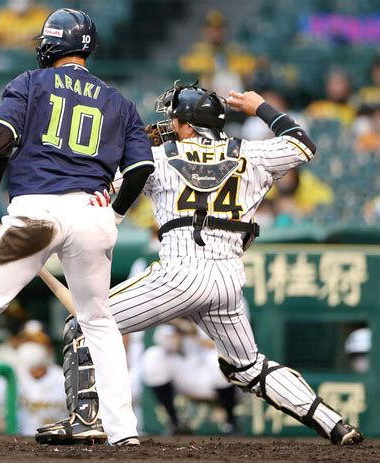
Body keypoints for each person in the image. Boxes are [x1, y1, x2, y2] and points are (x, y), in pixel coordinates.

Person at [36, 82, 363, 446]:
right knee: (248, 366)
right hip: (226, 278)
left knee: (82, 325)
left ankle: (84, 420)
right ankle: (332, 422)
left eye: (175, 119)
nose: (169, 124)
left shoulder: (156, 158)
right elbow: (302, 143)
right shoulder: (251, 154)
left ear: (189, 125)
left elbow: (97, 186)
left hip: (180, 270)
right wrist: (261, 108)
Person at [0, 8, 154, 447]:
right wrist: (115, 213)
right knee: (98, 322)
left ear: (51, 44)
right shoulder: (119, 101)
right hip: (93, 215)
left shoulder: (30, 82)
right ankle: (124, 431)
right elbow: (139, 168)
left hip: (36, 213)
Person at [143, 320, 240, 435]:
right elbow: (167, 344)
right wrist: (178, 329)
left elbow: (231, 345)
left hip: (217, 376)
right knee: (153, 355)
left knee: (219, 360)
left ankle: (231, 422)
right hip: (187, 372)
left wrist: (194, 333)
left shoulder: (216, 310)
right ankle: (175, 422)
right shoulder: (175, 313)